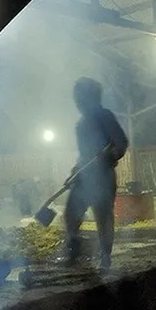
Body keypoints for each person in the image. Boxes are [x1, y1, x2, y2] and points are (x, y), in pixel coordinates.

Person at [64, 77, 128, 271]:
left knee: (103, 217)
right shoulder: (81, 124)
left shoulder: (104, 116)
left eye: (79, 97)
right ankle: (73, 249)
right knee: (71, 212)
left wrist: (108, 155)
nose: (76, 101)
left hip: (103, 177)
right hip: (84, 177)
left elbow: (121, 143)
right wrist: (74, 172)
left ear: (90, 97)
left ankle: (105, 257)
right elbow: (83, 155)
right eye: (76, 97)